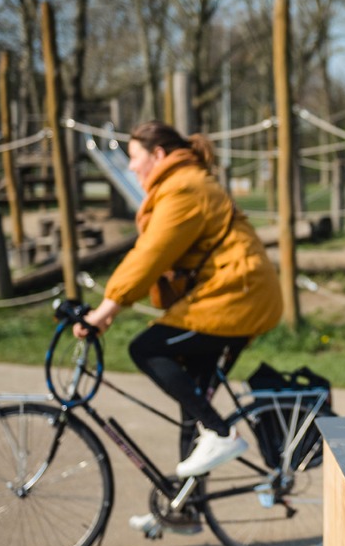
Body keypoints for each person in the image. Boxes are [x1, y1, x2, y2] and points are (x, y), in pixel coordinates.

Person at [74, 120, 283, 494]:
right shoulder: (183, 183)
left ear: (158, 155)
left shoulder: (185, 187)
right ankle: (183, 504)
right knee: (194, 404)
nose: (131, 167)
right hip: (230, 294)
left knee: (147, 348)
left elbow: (151, 253)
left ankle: (221, 433)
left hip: (238, 297)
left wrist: (106, 311)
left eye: (134, 158)